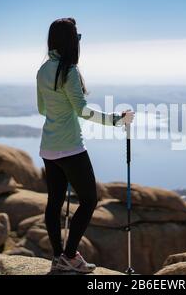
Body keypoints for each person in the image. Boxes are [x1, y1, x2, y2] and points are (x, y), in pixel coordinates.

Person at [37, 17, 135, 273]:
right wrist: (116, 120)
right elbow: (81, 111)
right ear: (71, 41)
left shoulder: (43, 70)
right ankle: (69, 256)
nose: (79, 42)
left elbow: (42, 108)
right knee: (89, 200)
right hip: (70, 147)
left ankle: (58, 256)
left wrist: (58, 110)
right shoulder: (68, 71)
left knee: (54, 202)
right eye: (77, 37)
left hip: (48, 147)